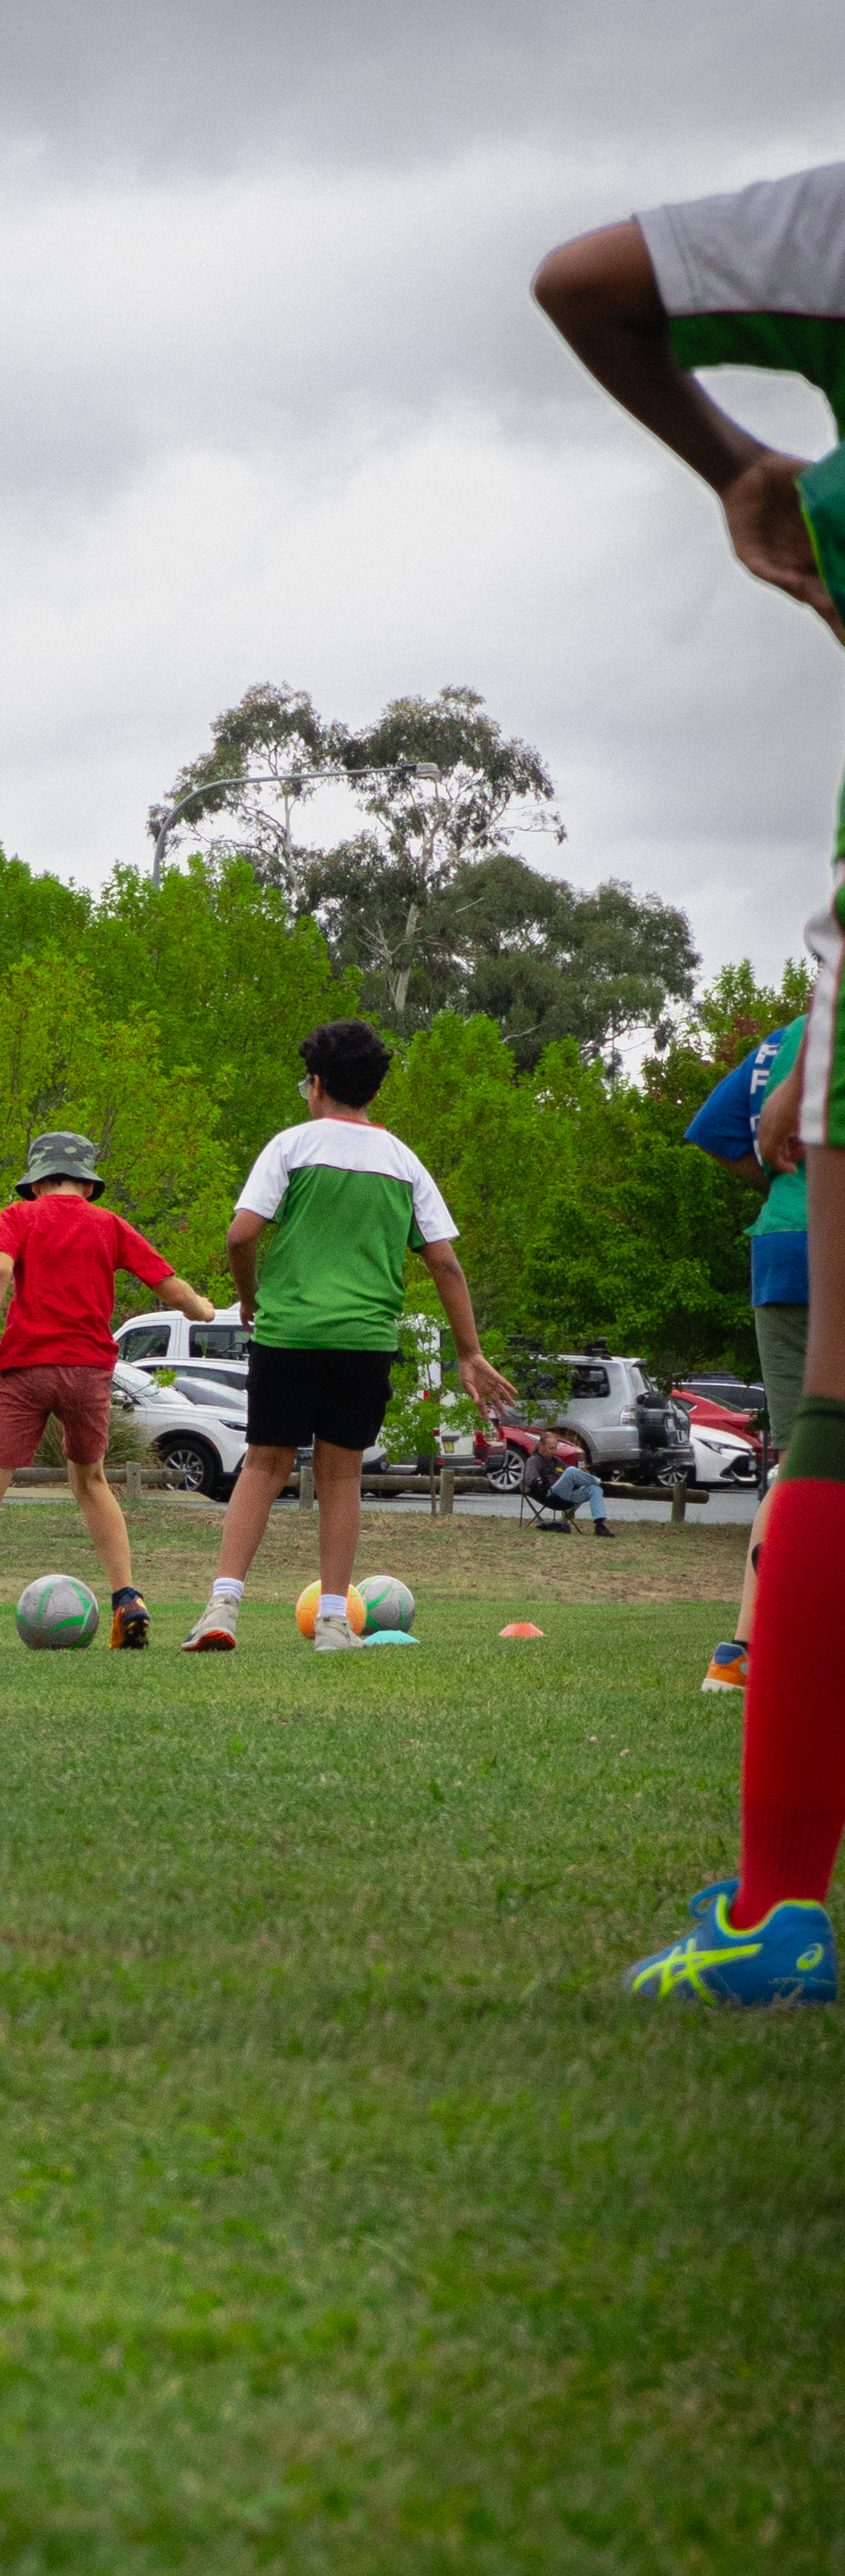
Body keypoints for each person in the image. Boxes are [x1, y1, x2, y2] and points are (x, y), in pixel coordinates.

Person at [536, 163, 845, 2003]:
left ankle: (780, 1903)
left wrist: (743, 470)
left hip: (796, 1244)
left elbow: (583, 278)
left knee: (828, 1434)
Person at [182, 1020, 513, 1653]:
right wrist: (469, 1351)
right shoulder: (404, 1162)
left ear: (315, 1084)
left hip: (289, 1333)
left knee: (263, 1463)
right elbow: (446, 1264)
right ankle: (334, 1622)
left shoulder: (291, 1146)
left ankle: (222, 1607)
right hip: (364, 1341)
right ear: (374, 1091)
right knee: (341, 1476)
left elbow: (240, 1235)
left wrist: (251, 1297)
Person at [0, 1130, 216, 1654]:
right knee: (92, 1482)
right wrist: (203, 1309)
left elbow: (0, 1269)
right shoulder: (109, 1224)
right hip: (89, 1371)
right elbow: (169, 1286)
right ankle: (127, 1598)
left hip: (28, 1368)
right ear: (87, 1185)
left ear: (36, 1182)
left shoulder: (19, 1217)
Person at [683, 1013, 809, 1695]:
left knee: (797, 1464)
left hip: (781, 1249)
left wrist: (779, 1179)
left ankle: (740, 1653)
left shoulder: (782, 1040)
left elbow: (713, 1126)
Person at [524, 1430, 616, 1539]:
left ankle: (600, 1525)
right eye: (550, 1448)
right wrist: (540, 1482)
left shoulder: (557, 1461)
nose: (553, 1451)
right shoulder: (533, 1461)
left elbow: (569, 1479)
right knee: (571, 1471)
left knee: (595, 1489)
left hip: (568, 1496)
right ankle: (601, 1483)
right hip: (551, 1495)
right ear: (541, 1446)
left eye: (555, 1448)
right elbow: (530, 1479)